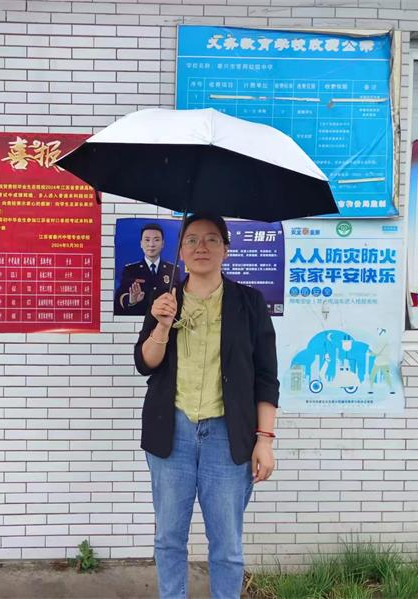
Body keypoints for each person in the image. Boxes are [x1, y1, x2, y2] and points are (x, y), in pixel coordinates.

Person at [134, 213, 279, 599]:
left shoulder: (249, 303)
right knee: (168, 538)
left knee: (227, 545)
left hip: (227, 437)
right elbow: (145, 363)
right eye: (192, 240)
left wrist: (264, 440)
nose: (202, 247)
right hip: (172, 433)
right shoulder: (165, 300)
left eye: (212, 239)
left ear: (226, 250)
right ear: (180, 251)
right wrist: (162, 325)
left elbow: (266, 376)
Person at [114, 223, 176, 316]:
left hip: (164, 319)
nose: (151, 244)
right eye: (147, 240)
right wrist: (131, 300)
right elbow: (120, 296)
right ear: (141, 244)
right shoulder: (130, 270)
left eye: (156, 240)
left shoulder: (173, 270)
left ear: (162, 244)